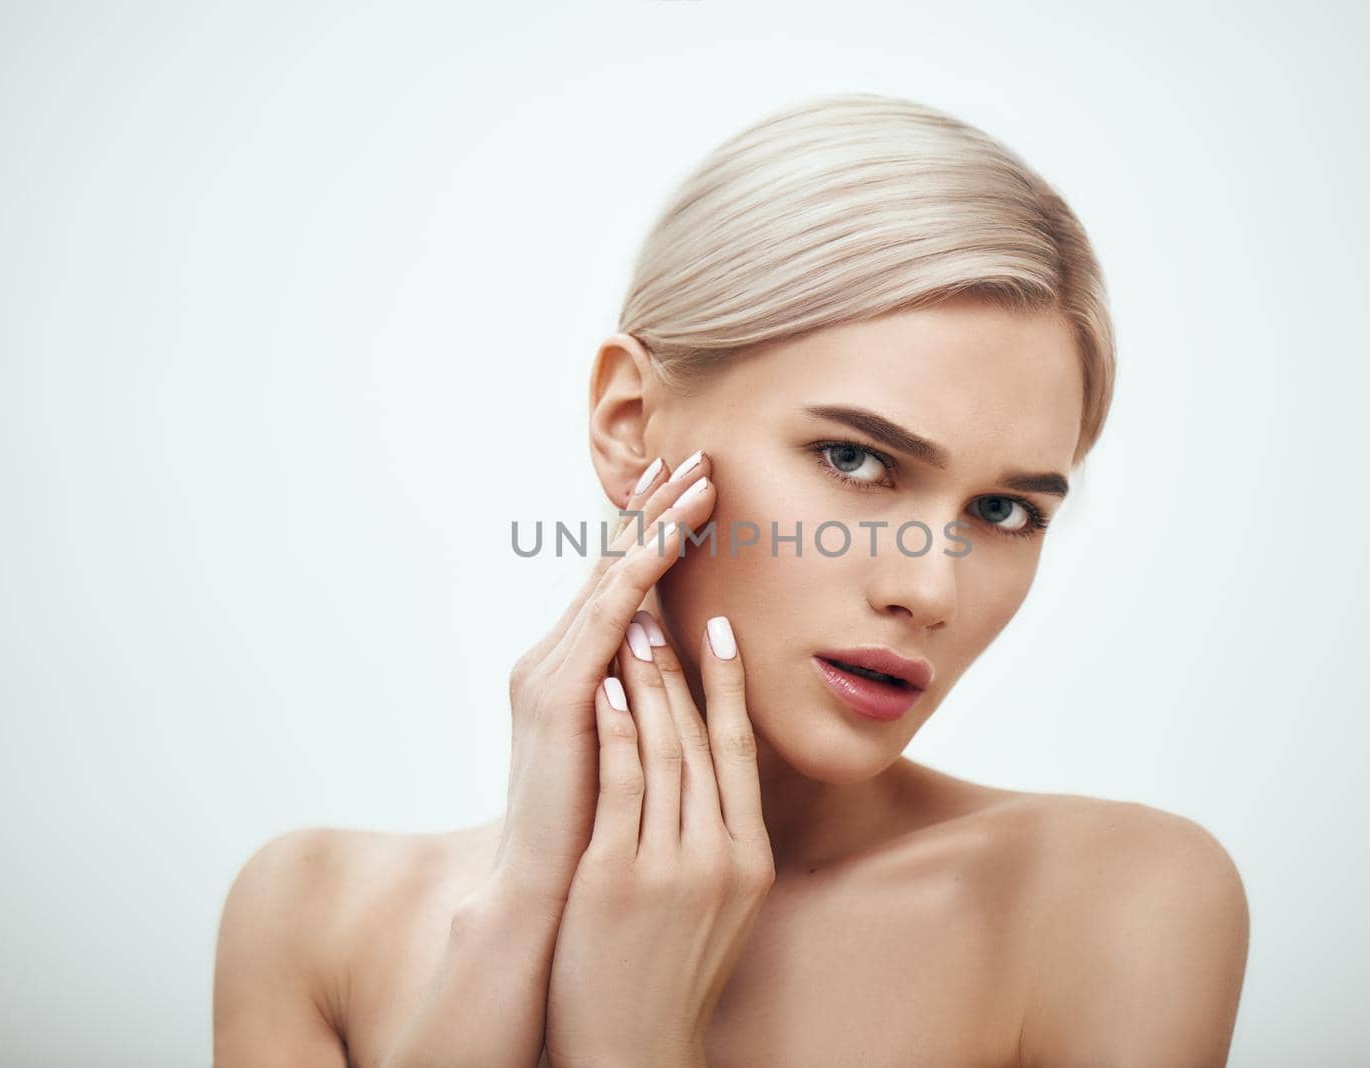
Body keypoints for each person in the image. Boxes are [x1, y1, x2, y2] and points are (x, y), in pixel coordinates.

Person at [213, 91, 1249, 1067]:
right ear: (629, 424)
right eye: (854, 459)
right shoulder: (312, 919)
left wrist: (632, 1046)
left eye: (1003, 511)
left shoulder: (1110, 905)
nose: (930, 591)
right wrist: (517, 918)